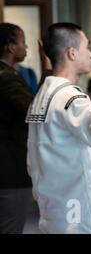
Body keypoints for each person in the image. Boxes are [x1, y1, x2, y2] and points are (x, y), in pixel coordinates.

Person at [26, 23, 91, 234]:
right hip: (77, 212)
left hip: (53, 208)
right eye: (86, 47)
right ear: (72, 53)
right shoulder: (70, 98)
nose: (90, 53)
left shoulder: (42, 95)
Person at [0, 23, 35, 234]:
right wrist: (51, 70)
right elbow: (35, 112)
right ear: (11, 47)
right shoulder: (7, 78)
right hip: (9, 169)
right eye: (22, 42)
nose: (26, 47)